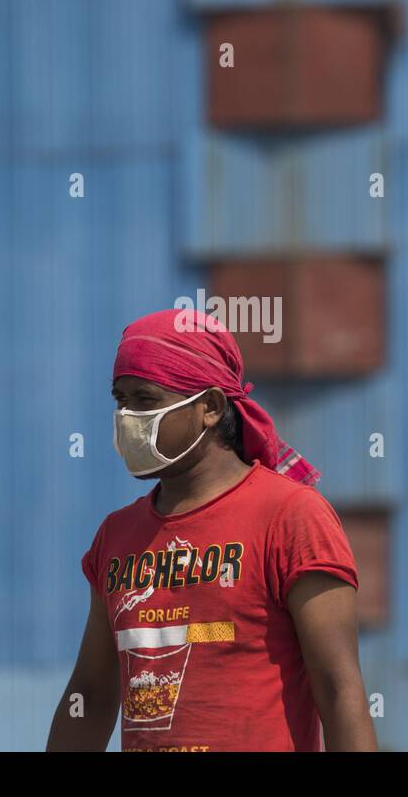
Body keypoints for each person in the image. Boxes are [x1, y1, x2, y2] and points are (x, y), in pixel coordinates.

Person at [46, 309, 378, 752]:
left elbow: (340, 690)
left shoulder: (291, 517)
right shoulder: (116, 536)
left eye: (144, 399)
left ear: (210, 407)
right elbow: (90, 694)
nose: (127, 417)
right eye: (120, 399)